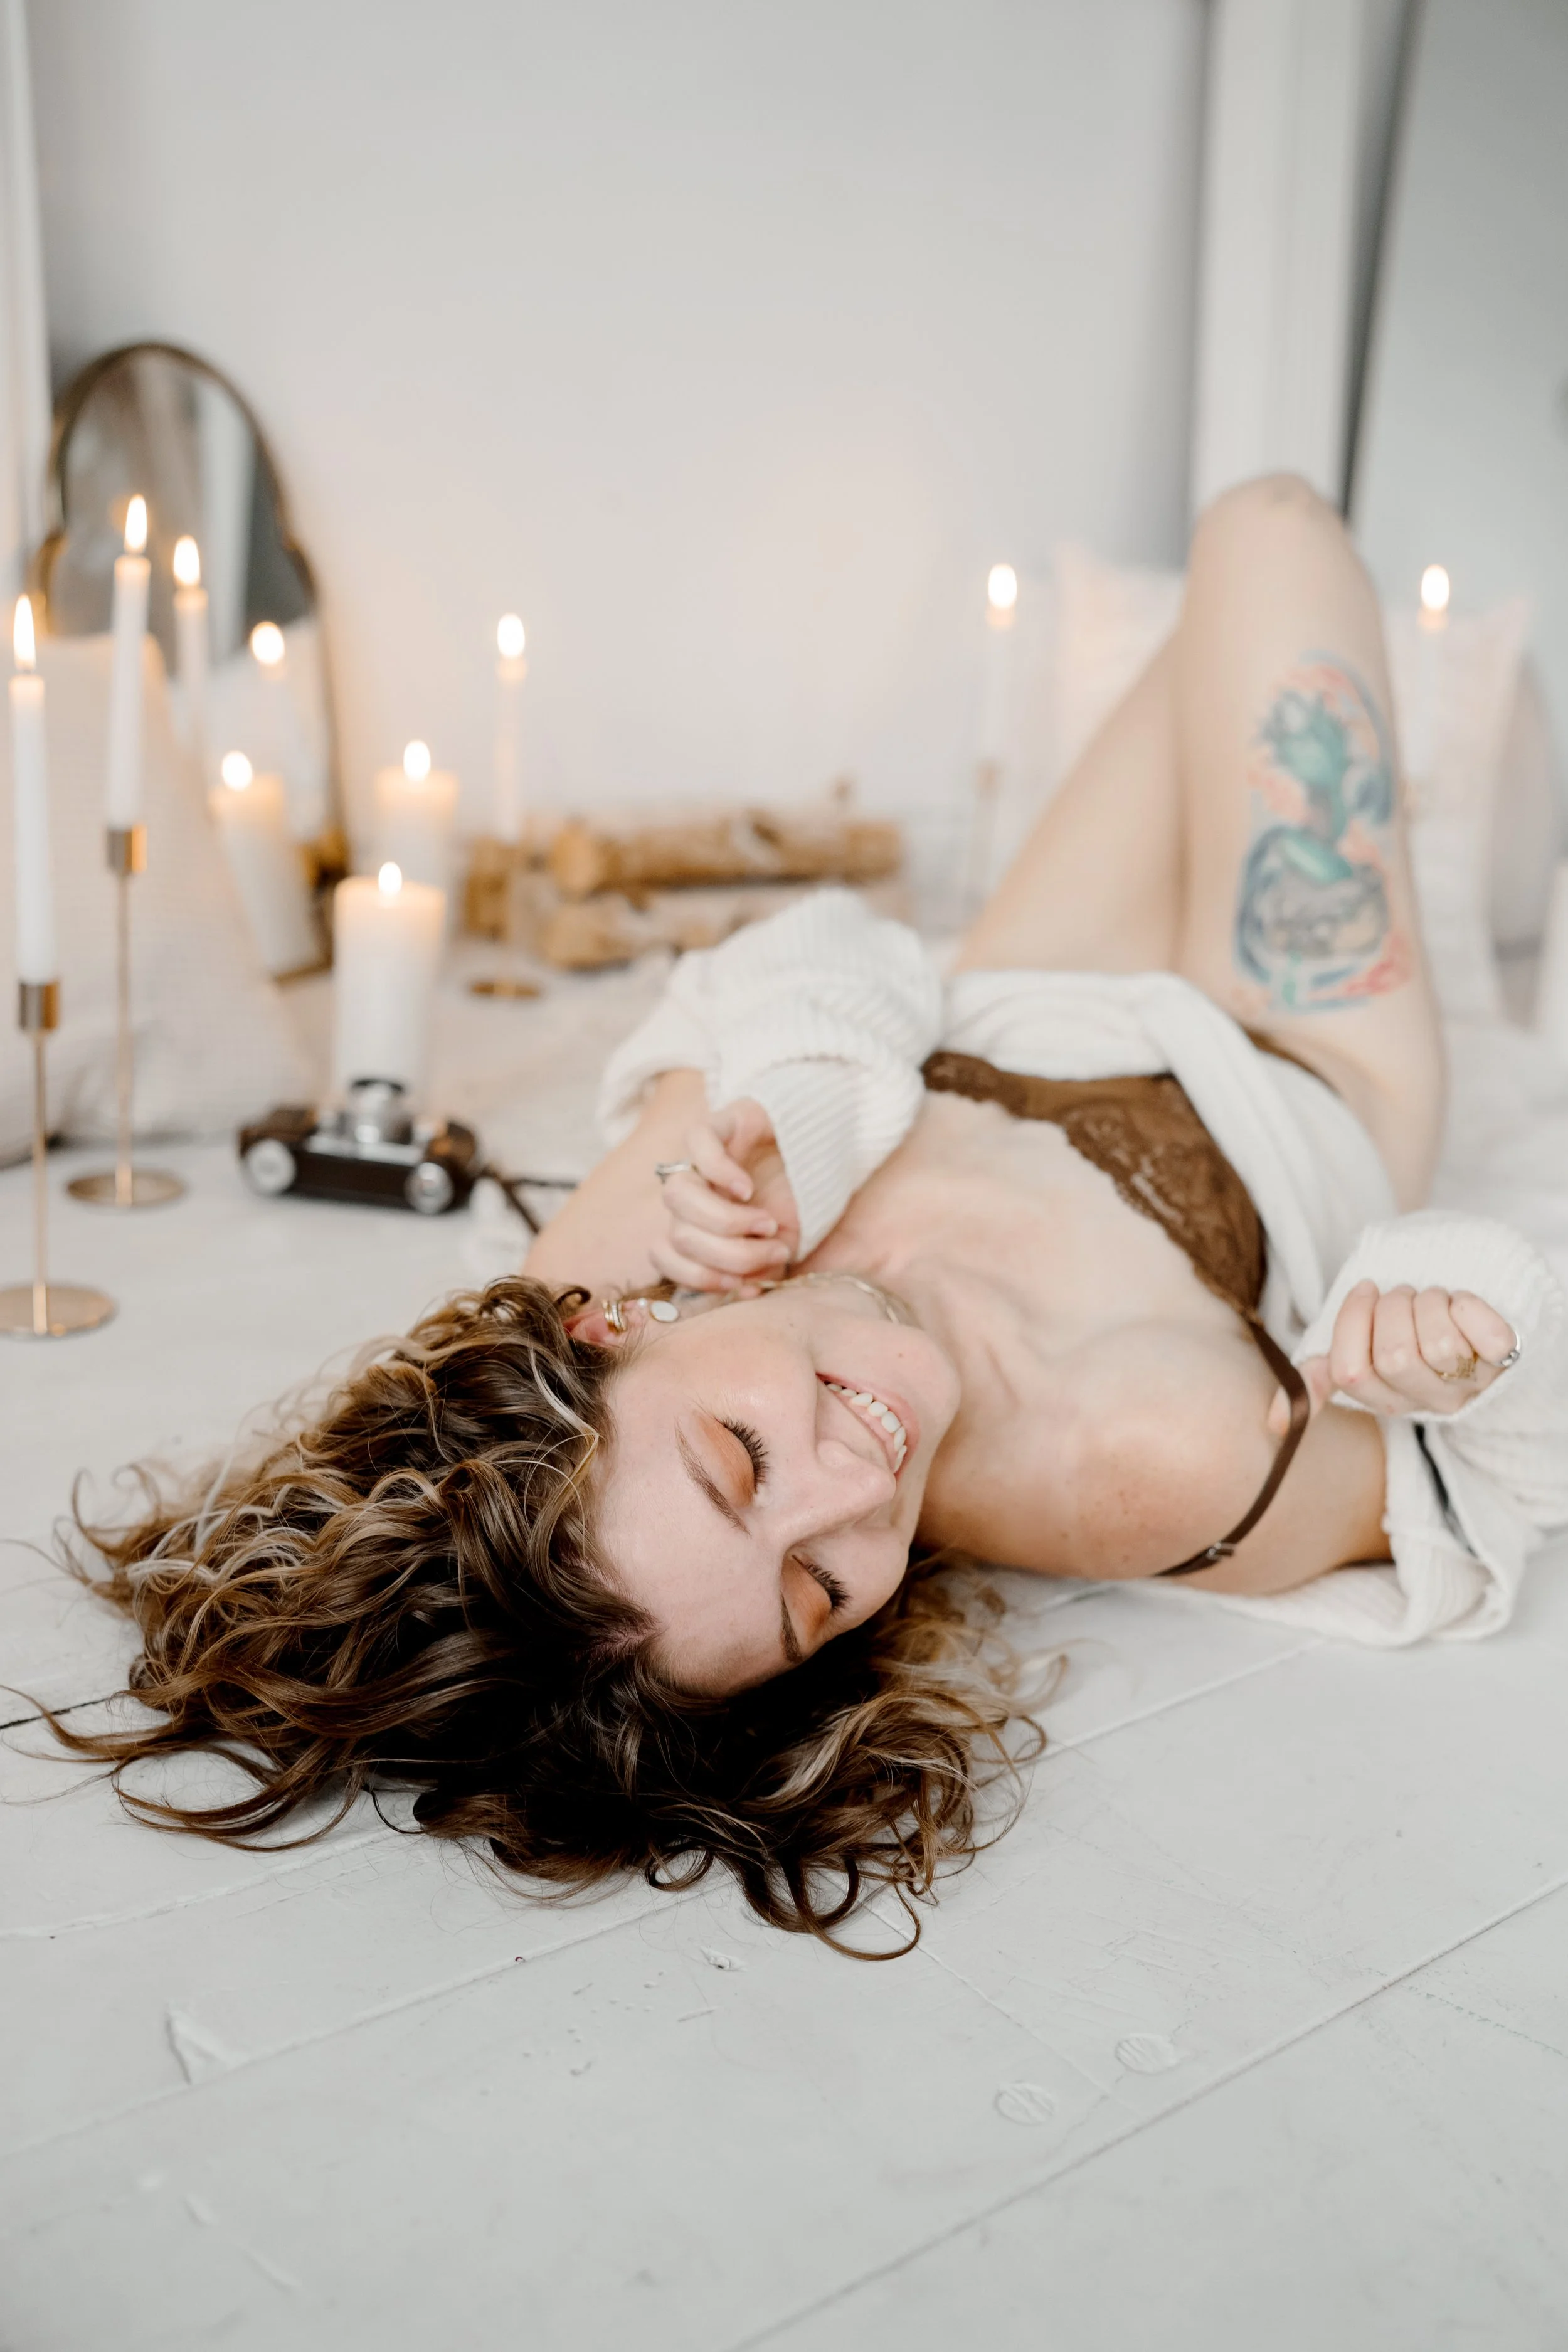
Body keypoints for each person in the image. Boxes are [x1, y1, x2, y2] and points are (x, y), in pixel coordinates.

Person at [48, 476, 1568, 1951]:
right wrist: (1454, 1319)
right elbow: (1500, 1449)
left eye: (739, 1457)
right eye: (814, 1592)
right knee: (1269, 529)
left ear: (616, 1332)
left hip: (1019, 999)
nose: (850, 1492)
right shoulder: (1138, 1464)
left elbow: (839, 946)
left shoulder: (618, 1257)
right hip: (1284, 1057)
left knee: (1221, 627)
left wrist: (806, 1113)